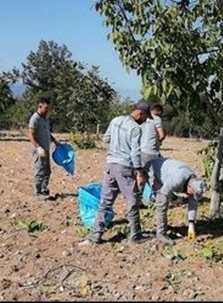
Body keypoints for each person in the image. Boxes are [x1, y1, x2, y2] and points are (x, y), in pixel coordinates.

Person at [86, 102, 151, 244]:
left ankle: (95, 235)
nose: (145, 121)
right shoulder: (135, 128)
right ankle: (135, 236)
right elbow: (135, 152)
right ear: (140, 113)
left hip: (110, 165)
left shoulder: (115, 120)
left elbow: (106, 138)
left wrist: (116, 147)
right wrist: (139, 171)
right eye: (145, 117)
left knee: (105, 202)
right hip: (125, 167)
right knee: (132, 201)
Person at [145, 157, 207, 244]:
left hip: (168, 175)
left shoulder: (195, 183)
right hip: (153, 169)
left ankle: (164, 225)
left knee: (171, 198)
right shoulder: (178, 179)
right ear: (189, 186)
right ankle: (161, 233)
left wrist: (191, 224)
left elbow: (193, 203)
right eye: (192, 193)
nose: (192, 196)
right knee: (162, 203)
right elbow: (163, 193)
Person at [27, 98, 60, 200]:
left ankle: (44, 189)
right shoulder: (35, 118)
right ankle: (37, 192)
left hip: (46, 149)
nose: (47, 110)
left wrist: (54, 140)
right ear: (40, 106)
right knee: (39, 170)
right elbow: (30, 134)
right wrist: (38, 147)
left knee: (47, 171)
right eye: (46, 108)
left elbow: (46, 132)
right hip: (39, 150)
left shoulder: (45, 118)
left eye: (49, 108)